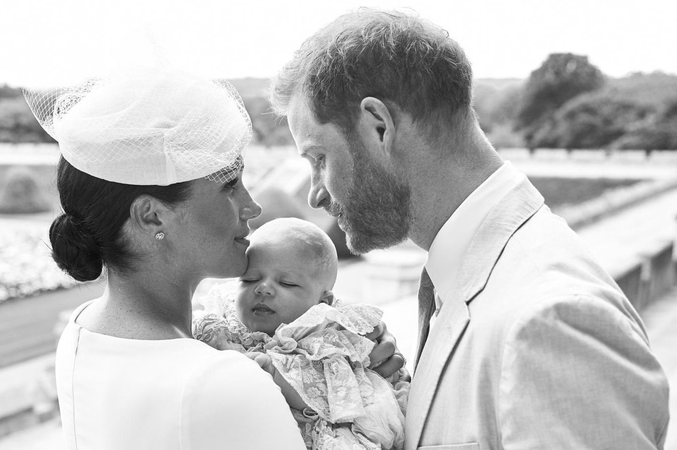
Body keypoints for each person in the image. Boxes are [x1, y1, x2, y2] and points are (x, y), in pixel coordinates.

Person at [270, 9, 671, 450]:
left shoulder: (551, 321)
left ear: (378, 127)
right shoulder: (477, 276)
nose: (315, 195)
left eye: (319, 159)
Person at [23, 67, 402, 450]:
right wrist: (360, 397)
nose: (252, 207)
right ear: (152, 216)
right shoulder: (226, 382)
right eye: (230, 186)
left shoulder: (82, 330)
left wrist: (338, 351)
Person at [193, 217, 409, 450]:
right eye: (249, 279)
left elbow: (334, 397)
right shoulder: (222, 324)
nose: (263, 288)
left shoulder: (325, 340)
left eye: (287, 283)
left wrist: (274, 374)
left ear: (322, 303)